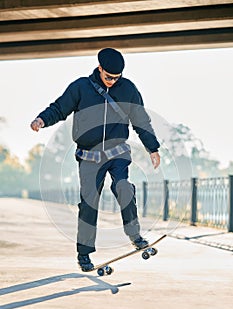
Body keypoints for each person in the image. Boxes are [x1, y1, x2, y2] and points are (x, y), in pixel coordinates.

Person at [30, 47, 160, 272]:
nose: (112, 81)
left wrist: (153, 148)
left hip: (117, 153)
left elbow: (141, 120)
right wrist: (42, 119)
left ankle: (135, 235)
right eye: (108, 77)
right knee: (89, 203)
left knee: (124, 187)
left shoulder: (128, 90)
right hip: (89, 156)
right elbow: (60, 108)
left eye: (116, 78)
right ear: (99, 68)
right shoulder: (81, 87)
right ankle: (84, 254)